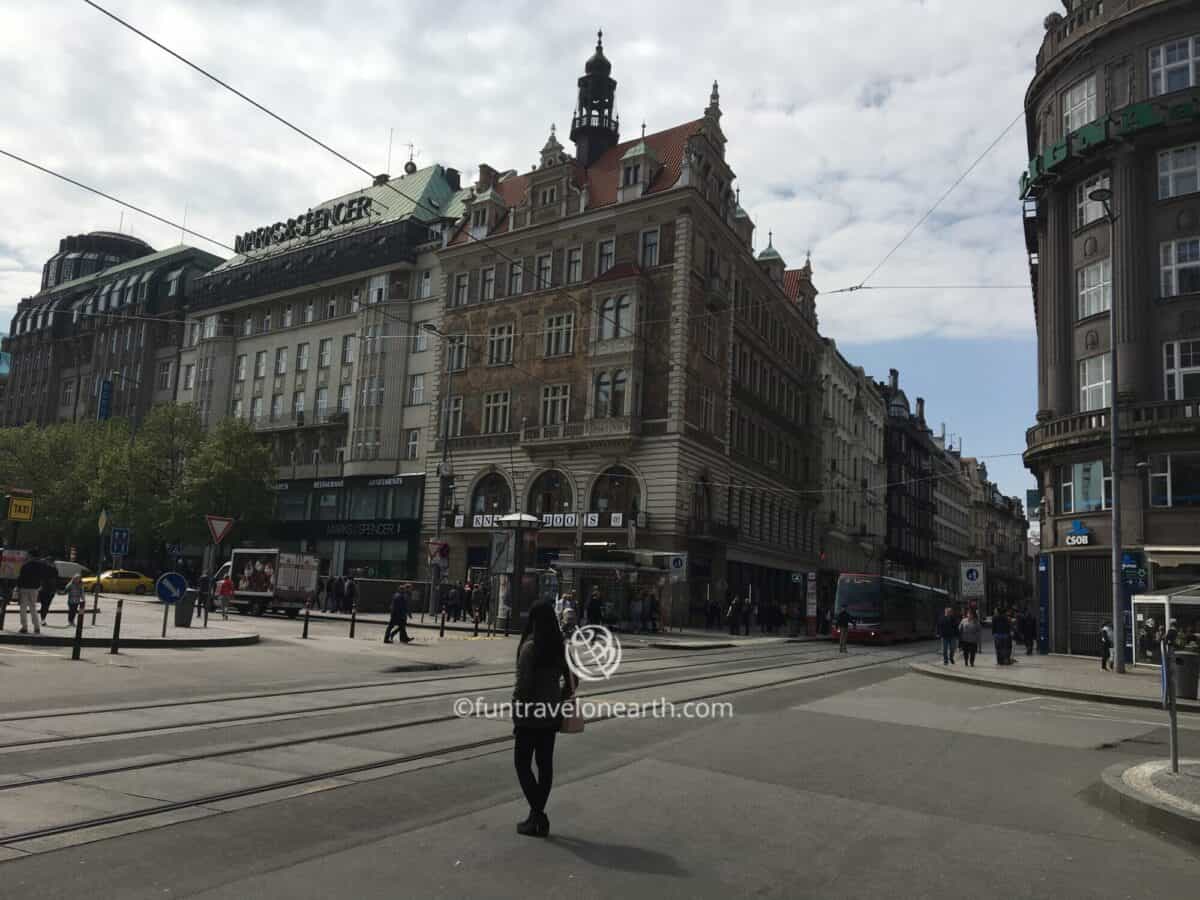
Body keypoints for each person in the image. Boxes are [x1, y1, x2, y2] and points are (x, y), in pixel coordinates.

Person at [512, 602, 572, 837]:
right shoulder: (559, 647)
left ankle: (538, 815)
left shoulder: (530, 648)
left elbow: (523, 686)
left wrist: (517, 712)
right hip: (551, 714)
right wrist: (560, 697)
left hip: (529, 715)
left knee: (522, 763)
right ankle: (536, 816)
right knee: (544, 765)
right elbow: (573, 680)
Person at [16, 551, 54, 635]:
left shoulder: (25, 565)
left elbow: (20, 577)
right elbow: (46, 574)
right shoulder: (41, 565)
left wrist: (18, 587)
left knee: (23, 608)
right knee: (33, 608)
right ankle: (36, 627)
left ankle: (24, 627)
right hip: (34, 588)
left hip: (24, 588)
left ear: (30, 556)